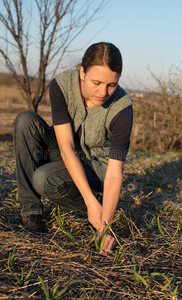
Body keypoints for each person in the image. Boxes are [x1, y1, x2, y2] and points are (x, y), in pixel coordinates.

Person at [14, 42, 133, 253]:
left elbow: (114, 174)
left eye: (111, 85)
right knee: (25, 121)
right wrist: (88, 200)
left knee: (44, 179)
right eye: (96, 82)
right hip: (67, 153)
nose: (103, 92)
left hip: (98, 168)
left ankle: (102, 209)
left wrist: (105, 224)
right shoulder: (61, 85)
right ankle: (32, 214)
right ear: (82, 72)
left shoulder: (122, 108)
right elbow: (66, 147)